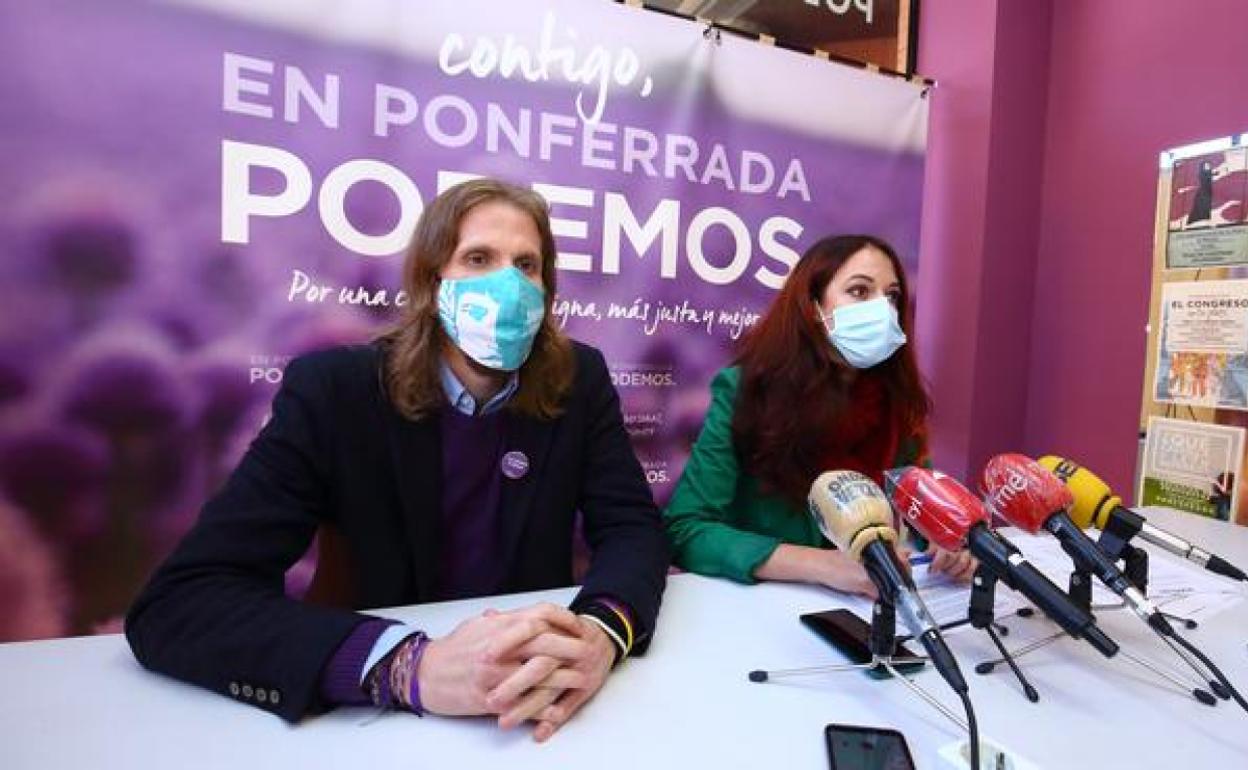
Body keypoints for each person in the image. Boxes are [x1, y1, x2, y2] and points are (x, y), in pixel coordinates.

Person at [126, 179, 669, 742]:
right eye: (478, 258)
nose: (508, 283)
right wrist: (407, 667)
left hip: (533, 708)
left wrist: (603, 630)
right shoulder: (335, 391)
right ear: (432, 283)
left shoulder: (579, 380)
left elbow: (632, 526)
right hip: (369, 725)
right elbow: (178, 604)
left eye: (526, 265)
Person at [664, 234, 975, 596]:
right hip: (763, 610)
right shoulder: (744, 390)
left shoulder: (895, 399)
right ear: (813, 306)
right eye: (860, 291)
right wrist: (820, 565)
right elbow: (686, 529)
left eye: (891, 296)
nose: (882, 309)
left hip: (870, 610)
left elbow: (920, 505)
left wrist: (948, 541)